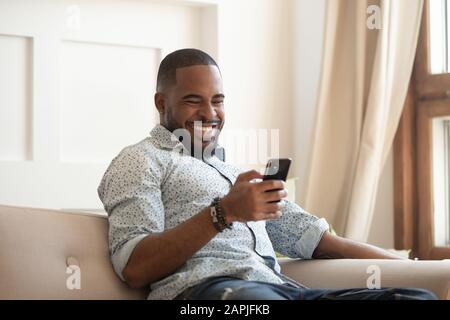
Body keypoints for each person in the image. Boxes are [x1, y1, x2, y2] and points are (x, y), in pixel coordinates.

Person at [97, 48, 437, 300]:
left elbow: (322, 243)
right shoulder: (140, 160)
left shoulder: (235, 177)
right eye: (192, 100)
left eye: (218, 100)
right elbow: (135, 268)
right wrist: (223, 212)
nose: (210, 113)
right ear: (161, 103)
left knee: (415, 299)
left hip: (281, 291)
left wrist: (419, 268)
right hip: (208, 297)